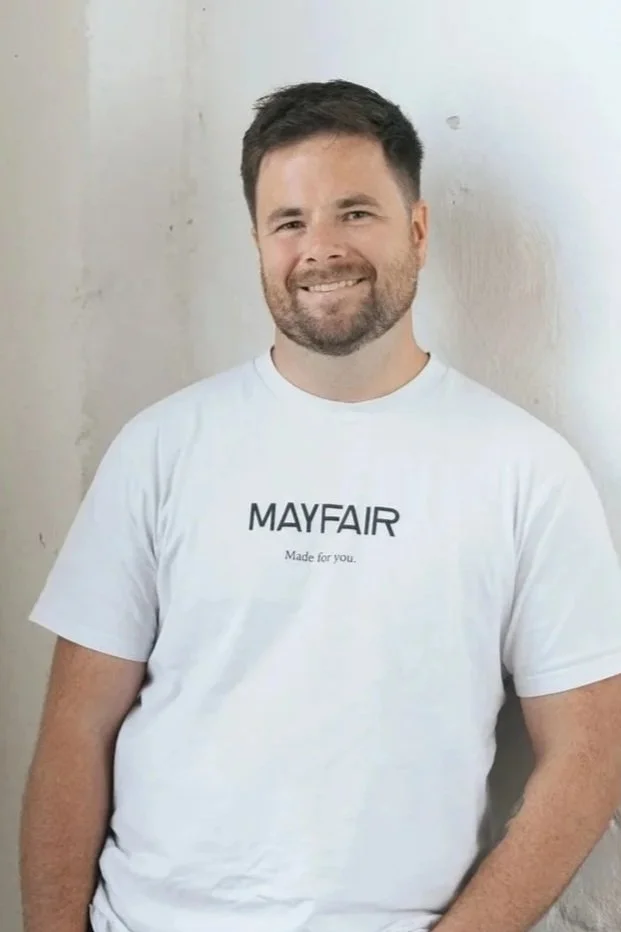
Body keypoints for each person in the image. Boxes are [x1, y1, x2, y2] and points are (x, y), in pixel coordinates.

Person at [20, 79, 621, 932]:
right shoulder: (160, 448)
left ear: (416, 228)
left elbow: (590, 756)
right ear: (259, 243)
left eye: (355, 213)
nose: (320, 248)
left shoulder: (523, 468)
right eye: (289, 221)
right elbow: (76, 729)